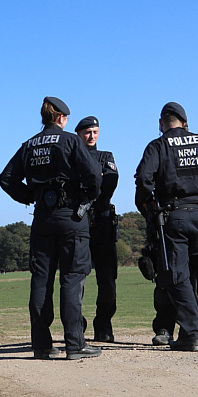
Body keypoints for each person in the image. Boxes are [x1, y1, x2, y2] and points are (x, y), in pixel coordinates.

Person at [0, 97, 102, 360]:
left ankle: (42, 345)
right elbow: (94, 176)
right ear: (62, 119)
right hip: (71, 217)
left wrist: (30, 196)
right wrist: (86, 197)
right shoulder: (70, 141)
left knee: (41, 282)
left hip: (42, 218)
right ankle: (75, 345)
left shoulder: (29, 145)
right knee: (71, 278)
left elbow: (6, 178)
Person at [134, 102, 198, 352]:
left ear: (161, 124)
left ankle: (190, 334)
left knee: (177, 275)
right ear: (185, 123)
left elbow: (143, 180)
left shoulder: (158, 146)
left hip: (173, 217)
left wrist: (149, 208)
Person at [75, 116, 119, 343]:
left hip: (102, 222)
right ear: (78, 134)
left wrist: (88, 185)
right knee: (76, 277)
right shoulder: (71, 156)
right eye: (87, 132)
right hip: (78, 222)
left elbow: (111, 181)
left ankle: (104, 325)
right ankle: (76, 325)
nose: (91, 136)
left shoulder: (105, 157)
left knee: (107, 279)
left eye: (95, 132)